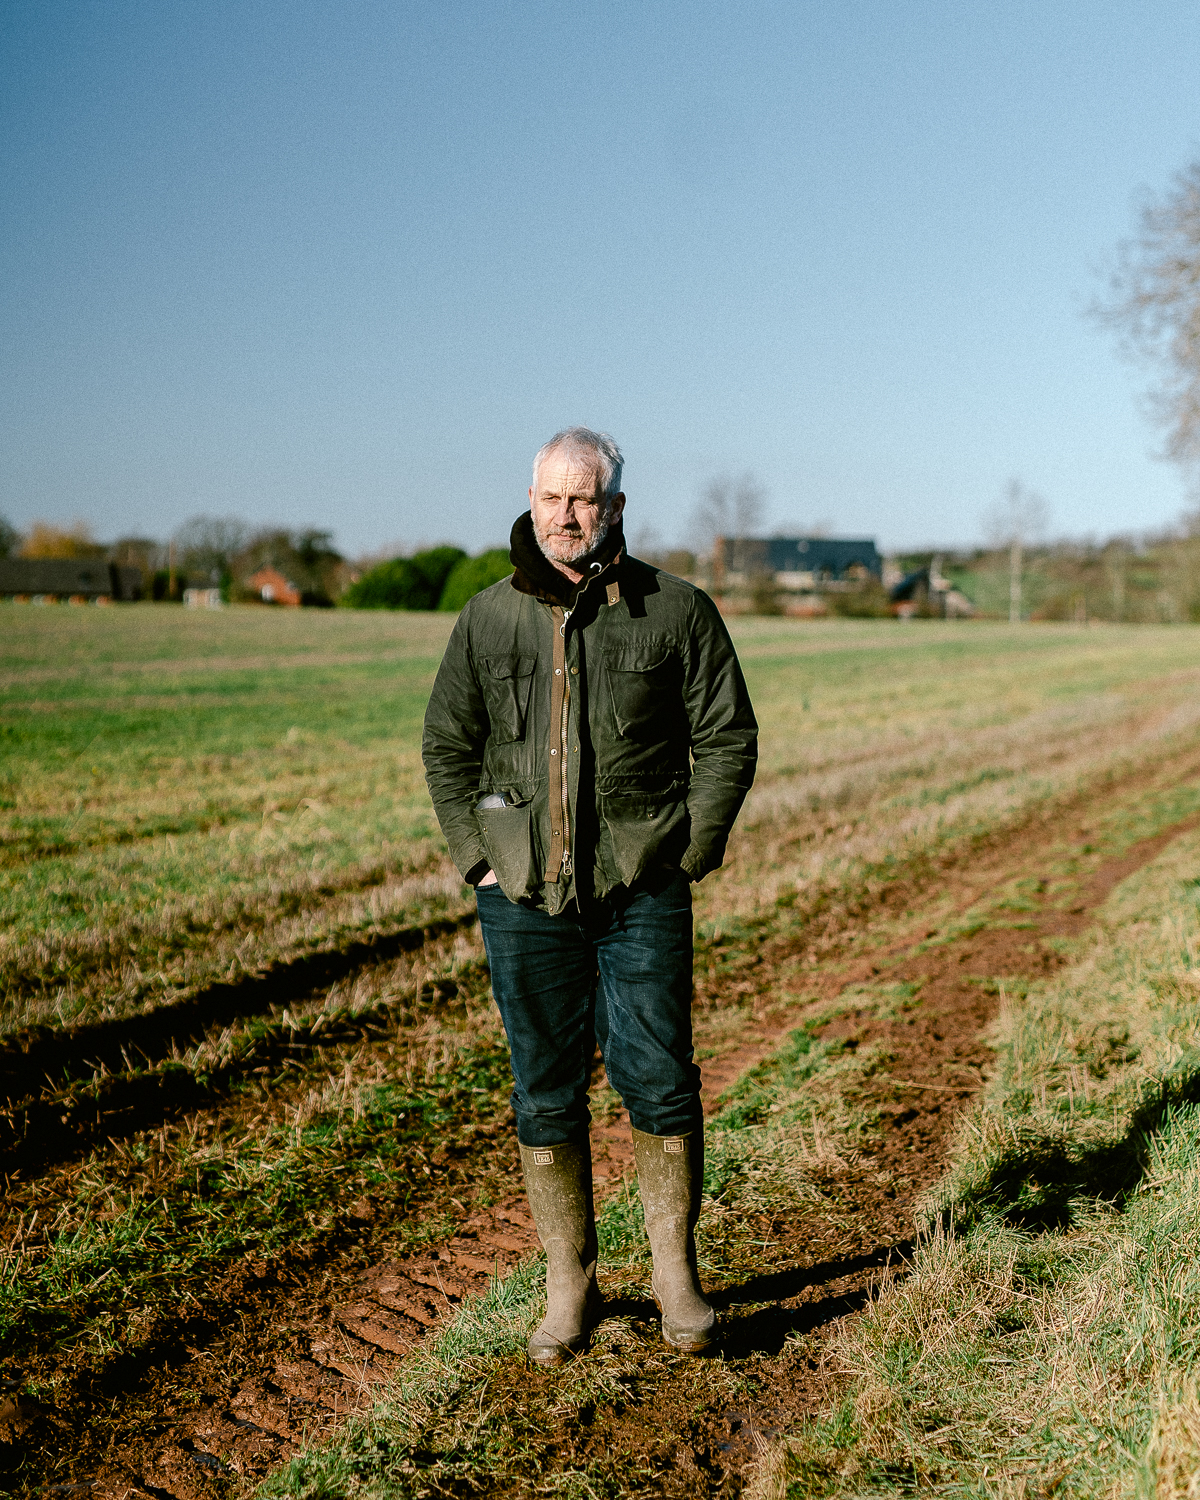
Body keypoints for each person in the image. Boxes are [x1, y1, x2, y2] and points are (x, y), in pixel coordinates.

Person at [422, 427, 757, 1363]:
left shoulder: (675, 610)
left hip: (640, 889)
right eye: (550, 498)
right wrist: (475, 856)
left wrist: (687, 852)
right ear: (530, 502)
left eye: (584, 499)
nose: (565, 516)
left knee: (660, 1078)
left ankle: (673, 1277)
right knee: (545, 1090)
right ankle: (569, 1284)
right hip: (522, 896)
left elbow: (727, 737)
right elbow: (446, 746)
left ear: (615, 507)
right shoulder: (487, 617)